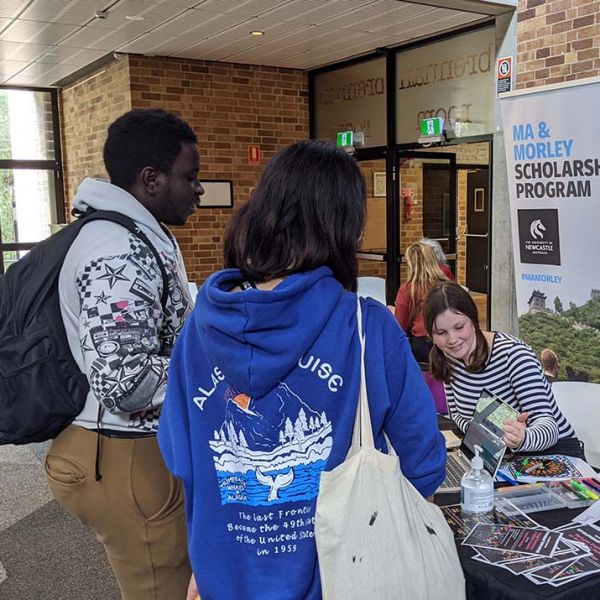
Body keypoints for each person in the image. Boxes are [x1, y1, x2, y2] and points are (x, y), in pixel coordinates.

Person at [158, 139, 446, 600]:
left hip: (226, 577)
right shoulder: (366, 328)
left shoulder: (199, 332)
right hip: (343, 577)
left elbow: (181, 455)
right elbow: (424, 465)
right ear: (342, 227)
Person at [45, 109, 204, 600]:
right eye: (190, 177)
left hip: (129, 449)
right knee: (164, 589)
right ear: (151, 179)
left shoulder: (136, 235)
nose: (198, 189)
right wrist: (205, 364)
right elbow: (124, 382)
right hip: (120, 453)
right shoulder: (117, 248)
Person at [423, 281, 584, 459]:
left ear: (474, 320)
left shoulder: (513, 354)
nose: (452, 339)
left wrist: (521, 439)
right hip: (500, 456)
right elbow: (457, 415)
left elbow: (549, 428)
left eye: (459, 327)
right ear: (431, 335)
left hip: (554, 454)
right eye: (441, 333)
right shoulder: (447, 357)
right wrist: (486, 438)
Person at [394, 241, 448, 363]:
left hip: (422, 345)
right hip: (447, 341)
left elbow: (400, 326)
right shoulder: (447, 285)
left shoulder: (408, 289)